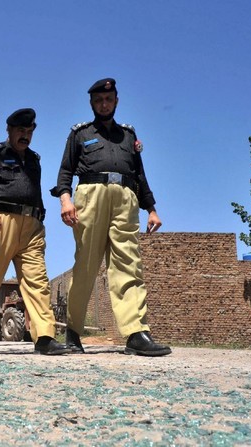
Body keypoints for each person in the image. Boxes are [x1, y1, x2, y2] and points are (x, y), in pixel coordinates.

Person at [51, 78, 171, 357]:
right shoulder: (80, 133)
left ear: (116, 101)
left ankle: (136, 333)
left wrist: (151, 208)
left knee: (129, 263)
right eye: (98, 100)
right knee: (86, 265)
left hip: (126, 197)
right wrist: (65, 200)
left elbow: (139, 174)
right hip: (90, 196)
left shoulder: (128, 135)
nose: (104, 104)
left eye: (108, 99)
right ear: (92, 104)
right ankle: (73, 333)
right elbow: (65, 171)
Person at [0, 108, 69, 355]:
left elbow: (34, 190)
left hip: (32, 227)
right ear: (9, 130)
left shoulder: (34, 159)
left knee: (38, 282)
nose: (26, 135)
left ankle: (44, 337)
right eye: (21, 130)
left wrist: (40, 217)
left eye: (30, 131)